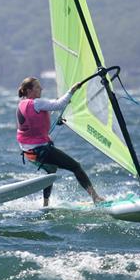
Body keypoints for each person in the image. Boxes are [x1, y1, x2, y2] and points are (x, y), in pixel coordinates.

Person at [16, 76, 105, 207]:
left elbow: (38, 119)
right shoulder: (36, 103)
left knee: (51, 170)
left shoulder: (22, 105)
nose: (41, 88)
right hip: (40, 150)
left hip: (28, 153)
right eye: (37, 87)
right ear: (29, 90)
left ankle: (45, 204)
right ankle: (95, 197)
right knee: (76, 167)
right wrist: (72, 91)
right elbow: (59, 105)